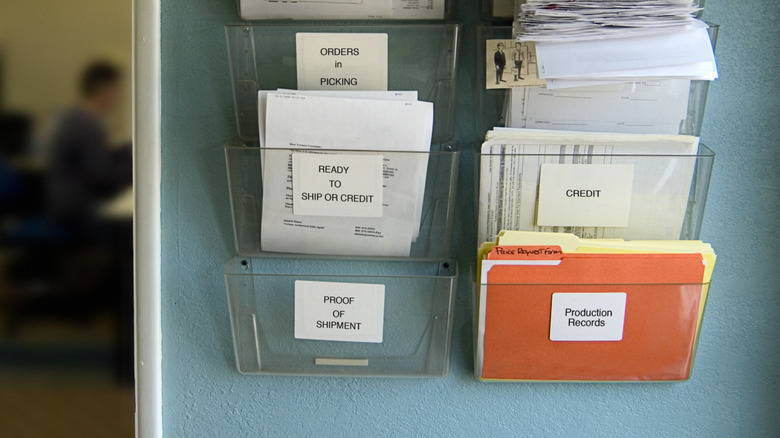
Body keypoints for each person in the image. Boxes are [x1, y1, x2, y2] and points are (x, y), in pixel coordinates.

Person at [47, 61, 131, 235]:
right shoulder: (86, 124)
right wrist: (135, 167)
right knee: (131, 226)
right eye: (116, 90)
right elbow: (102, 175)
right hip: (73, 209)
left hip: (64, 201)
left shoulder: (74, 117)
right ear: (103, 89)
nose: (119, 96)